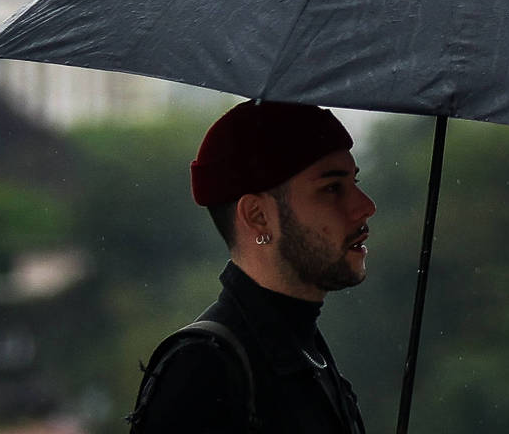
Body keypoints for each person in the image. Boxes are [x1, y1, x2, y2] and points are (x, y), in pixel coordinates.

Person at [130, 101, 377, 434]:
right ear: (258, 217)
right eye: (332, 189)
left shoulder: (312, 356)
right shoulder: (203, 369)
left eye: (355, 183)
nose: (365, 206)